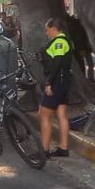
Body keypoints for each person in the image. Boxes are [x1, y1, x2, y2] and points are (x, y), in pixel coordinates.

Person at [39, 18, 72, 158]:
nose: (46, 33)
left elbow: (57, 64)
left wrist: (48, 83)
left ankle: (44, 150)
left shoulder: (59, 42)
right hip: (65, 82)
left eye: (47, 30)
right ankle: (63, 148)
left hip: (57, 82)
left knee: (44, 114)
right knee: (61, 114)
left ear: (53, 28)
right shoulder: (66, 41)